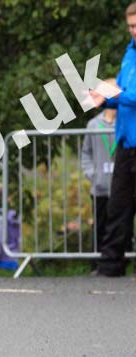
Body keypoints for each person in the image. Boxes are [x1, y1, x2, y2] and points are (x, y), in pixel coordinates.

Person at [91, 3, 136, 277]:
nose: (134, 31)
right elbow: (121, 90)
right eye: (131, 26)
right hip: (126, 142)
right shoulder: (129, 54)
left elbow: (130, 94)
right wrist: (102, 97)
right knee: (118, 205)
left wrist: (115, 94)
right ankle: (110, 265)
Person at [81, 85, 117, 272]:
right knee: (100, 224)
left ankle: (122, 260)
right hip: (100, 185)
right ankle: (97, 263)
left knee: (121, 225)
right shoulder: (93, 125)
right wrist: (91, 173)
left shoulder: (125, 123)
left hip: (122, 186)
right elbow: (86, 153)